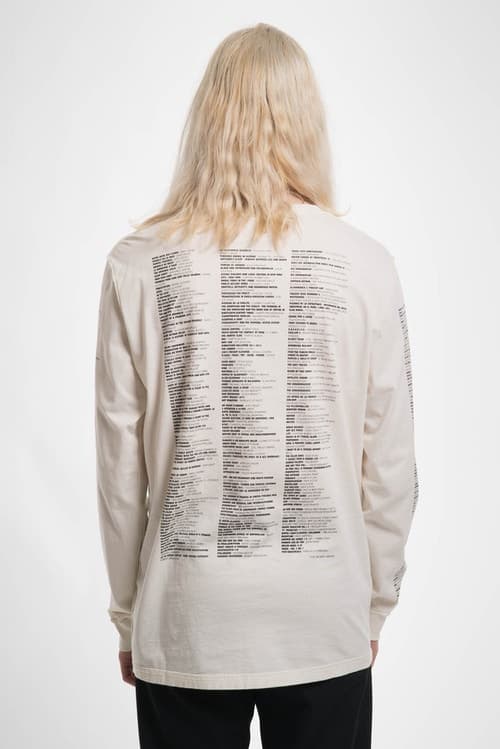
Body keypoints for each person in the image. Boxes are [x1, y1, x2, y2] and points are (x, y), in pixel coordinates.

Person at [94, 22, 419, 749]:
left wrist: (129, 616)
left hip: (186, 620)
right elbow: (392, 464)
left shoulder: (137, 263)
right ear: (308, 121)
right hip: (323, 619)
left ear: (206, 116)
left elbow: (119, 473)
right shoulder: (367, 264)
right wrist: (372, 606)